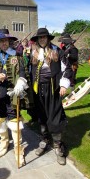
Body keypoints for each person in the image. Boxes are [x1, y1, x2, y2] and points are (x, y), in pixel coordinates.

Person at [0, 29, 33, 167]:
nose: (4, 43)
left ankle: (18, 151)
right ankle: (4, 144)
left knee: (15, 124)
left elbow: (24, 72)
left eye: (6, 41)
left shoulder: (17, 56)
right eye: (1, 41)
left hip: (13, 96)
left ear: (10, 42)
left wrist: (21, 82)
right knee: (0, 122)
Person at [30, 28, 72, 165]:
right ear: (37, 40)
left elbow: (67, 68)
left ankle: (58, 145)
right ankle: (44, 140)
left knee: (55, 116)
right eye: (39, 38)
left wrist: (64, 84)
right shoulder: (33, 52)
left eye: (44, 37)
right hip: (38, 89)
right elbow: (28, 69)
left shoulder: (57, 50)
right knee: (42, 115)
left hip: (53, 88)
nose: (42, 39)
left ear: (48, 38)